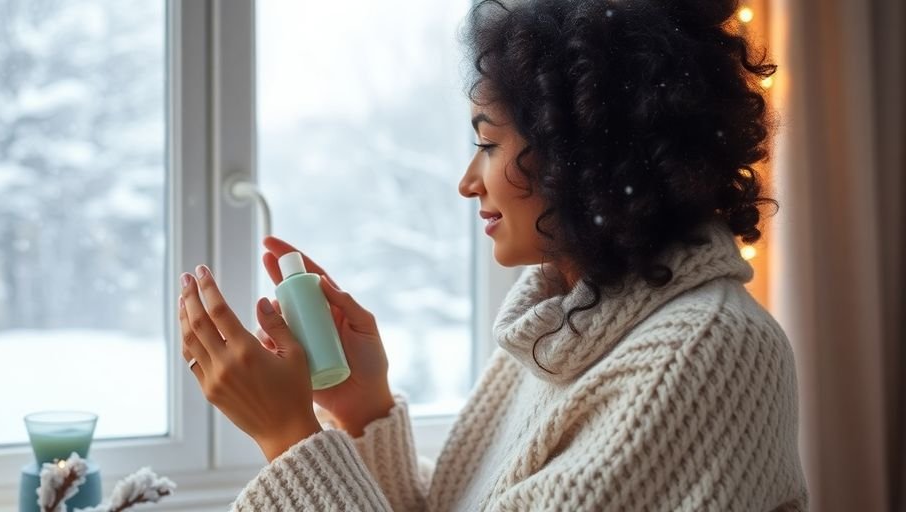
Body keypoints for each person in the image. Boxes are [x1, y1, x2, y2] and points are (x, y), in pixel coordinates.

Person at [177, 0, 809, 509]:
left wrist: (287, 437)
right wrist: (360, 406)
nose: (468, 182)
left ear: (580, 152)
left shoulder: (704, 353)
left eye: (488, 144)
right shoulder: (567, 327)